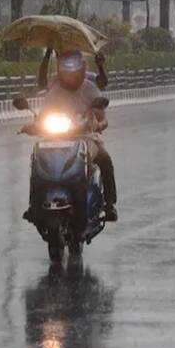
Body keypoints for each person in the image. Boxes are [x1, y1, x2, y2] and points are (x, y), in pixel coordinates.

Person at [27, 50, 118, 222]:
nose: (70, 71)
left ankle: (110, 204)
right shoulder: (54, 89)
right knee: (36, 160)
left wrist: (98, 125)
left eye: (74, 65)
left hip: (86, 136)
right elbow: (43, 114)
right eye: (66, 66)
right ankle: (34, 205)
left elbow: (103, 118)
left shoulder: (90, 88)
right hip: (56, 138)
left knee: (105, 159)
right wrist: (34, 125)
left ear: (83, 67)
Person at [38, 48, 108, 90]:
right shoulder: (57, 79)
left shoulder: (87, 77)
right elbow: (42, 82)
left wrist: (100, 66)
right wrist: (47, 54)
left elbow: (103, 83)